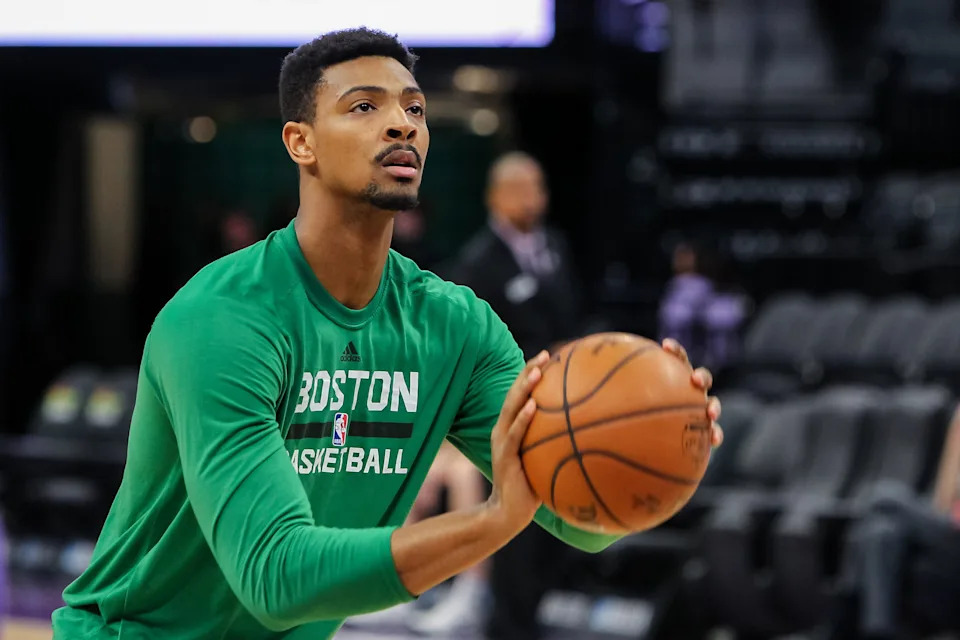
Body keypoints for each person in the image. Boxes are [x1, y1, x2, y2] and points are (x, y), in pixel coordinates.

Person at [50, 28, 723, 640]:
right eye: (365, 107)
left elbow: (574, 517)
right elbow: (276, 579)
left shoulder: (455, 327)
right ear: (300, 142)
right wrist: (489, 522)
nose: (402, 123)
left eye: (415, 109)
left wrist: (659, 443)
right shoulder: (222, 319)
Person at [443, 151, 591, 640]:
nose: (537, 198)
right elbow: (475, 353)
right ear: (497, 197)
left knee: (558, 532)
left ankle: (535, 619)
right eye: (525, 188)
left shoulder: (556, 247)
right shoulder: (475, 264)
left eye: (541, 187)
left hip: (569, 409)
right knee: (517, 534)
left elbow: (572, 319)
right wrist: (546, 356)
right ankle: (502, 623)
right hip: (513, 416)